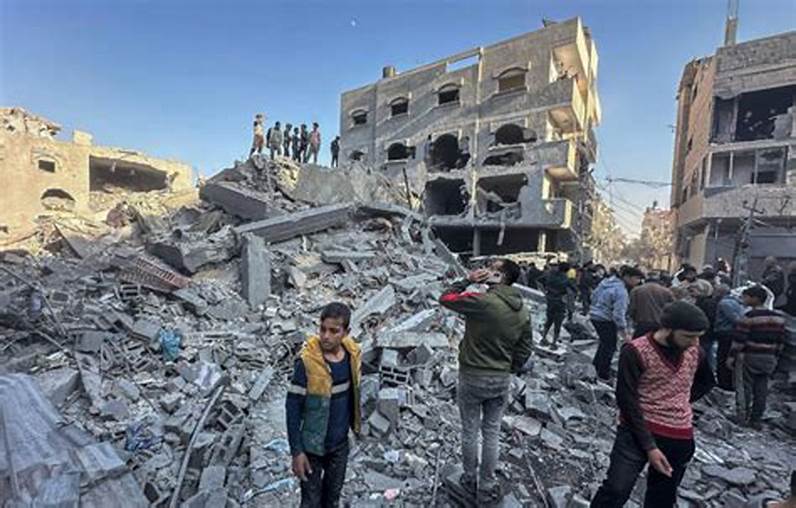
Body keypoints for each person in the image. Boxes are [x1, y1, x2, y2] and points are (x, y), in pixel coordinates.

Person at [591, 301, 714, 508]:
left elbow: (707, 382)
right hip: (635, 431)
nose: (694, 342)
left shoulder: (695, 352)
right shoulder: (636, 351)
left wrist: (680, 400)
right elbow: (626, 400)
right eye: (688, 336)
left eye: (698, 337)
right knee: (616, 489)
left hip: (678, 435)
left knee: (662, 498)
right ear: (668, 329)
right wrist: (650, 446)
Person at [439, 259, 533, 505]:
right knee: (492, 432)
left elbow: (445, 298)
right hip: (500, 379)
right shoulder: (522, 310)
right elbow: (525, 349)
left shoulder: (481, 302)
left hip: (472, 376)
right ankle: (487, 485)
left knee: (470, 430)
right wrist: (509, 368)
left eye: (492, 268)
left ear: (499, 277)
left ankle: (469, 479)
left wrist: (468, 280)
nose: (486, 269)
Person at [286, 302, 361, 508]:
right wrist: (296, 452)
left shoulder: (352, 357)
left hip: (339, 445)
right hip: (311, 447)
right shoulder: (307, 362)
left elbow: (353, 397)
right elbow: (292, 408)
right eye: (323, 329)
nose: (326, 336)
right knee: (310, 501)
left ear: (346, 332)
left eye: (334, 331)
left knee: (332, 499)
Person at [729, 285, 788, 429]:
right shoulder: (779, 318)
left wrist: (731, 356)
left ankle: (742, 417)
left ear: (755, 299)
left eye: (746, 297)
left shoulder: (749, 317)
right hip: (769, 357)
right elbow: (781, 340)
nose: (743, 299)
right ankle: (756, 419)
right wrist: (775, 356)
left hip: (749, 356)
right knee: (762, 388)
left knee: (744, 387)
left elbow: (740, 339)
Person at [590, 265, 644, 381]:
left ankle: (596, 367)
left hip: (595, 315)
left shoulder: (606, 283)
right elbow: (618, 314)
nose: (638, 282)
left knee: (604, 344)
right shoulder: (621, 291)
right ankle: (603, 374)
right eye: (637, 278)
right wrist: (624, 332)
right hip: (605, 319)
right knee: (610, 347)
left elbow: (593, 296)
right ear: (627, 277)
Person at [714, 286, 746, 390]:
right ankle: (731, 382)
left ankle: (724, 383)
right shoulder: (737, 303)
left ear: (720, 292)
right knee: (730, 357)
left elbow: (735, 319)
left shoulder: (724, 303)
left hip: (725, 333)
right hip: (732, 333)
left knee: (722, 358)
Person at [628, 271, 675, 339]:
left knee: (638, 344)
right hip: (659, 325)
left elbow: (632, 309)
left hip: (642, 324)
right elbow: (672, 309)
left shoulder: (636, 290)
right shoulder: (666, 291)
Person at [540, 262, 574, 346]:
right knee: (557, 323)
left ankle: (543, 338)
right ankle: (554, 343)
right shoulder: (566, 279)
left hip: (550, 301)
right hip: (560, 303)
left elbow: (538, 281)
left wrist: (544, 292)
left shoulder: (550, 276)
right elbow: (573, 291)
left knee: (549, 321)